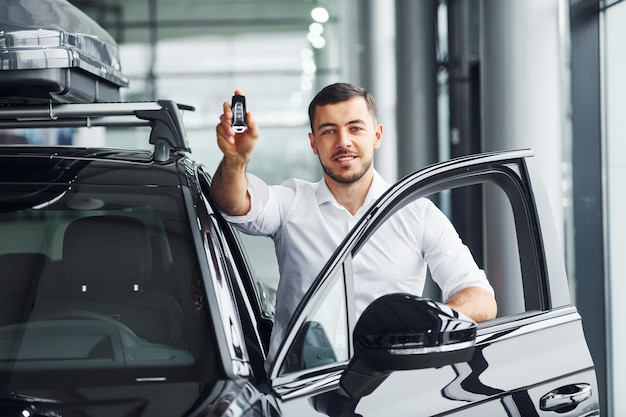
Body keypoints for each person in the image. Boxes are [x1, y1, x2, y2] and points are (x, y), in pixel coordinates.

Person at [211, 82, 497, 365]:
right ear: (313, 143)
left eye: (355, 128)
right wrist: (235, 161)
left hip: (392, 389)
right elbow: (234, 203)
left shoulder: (417, 214)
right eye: (329, 131)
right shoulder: (292, 202)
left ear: (377, 135)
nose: (343, 142)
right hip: (299, 392)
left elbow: (480, 299)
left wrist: (424, 328)